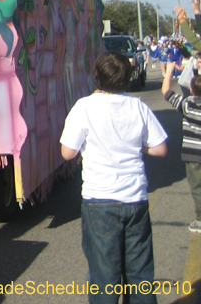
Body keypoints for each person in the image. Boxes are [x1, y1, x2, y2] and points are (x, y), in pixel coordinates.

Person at [60, 51, 168, 303]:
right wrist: (136, 145)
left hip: (100, 200)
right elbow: (160, 148)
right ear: (128, 78)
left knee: (104, 275)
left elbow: (67, 153)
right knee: (140, 273)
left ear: (96, 76)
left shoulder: (84, 107)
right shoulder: (138, 106)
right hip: (135, 199)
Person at [162, 61, 201, 233]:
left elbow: (166, 92)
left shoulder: (187, 104)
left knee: (197, 187)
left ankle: (200, 220)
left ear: (191, 90)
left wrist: (169, 72)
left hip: (193, 154)